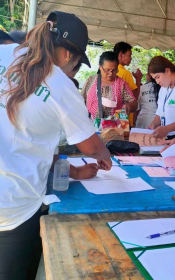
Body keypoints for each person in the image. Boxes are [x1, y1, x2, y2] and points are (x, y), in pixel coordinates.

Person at [0, 11, 112, 279]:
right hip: (14, 208)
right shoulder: (60, 85)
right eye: (76, 64)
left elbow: (30, 139)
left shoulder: (6, 54)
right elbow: (91, 147)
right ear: (65, 55)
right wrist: (105, 154)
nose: (73, 70)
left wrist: (73, 172)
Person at [81, 51, 138, 119]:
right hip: (91, 125)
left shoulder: (121, 84)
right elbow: (81, 100)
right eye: (107, 70)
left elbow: (135, 104)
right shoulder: (90, 80)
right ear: (100, 67)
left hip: (113, 127)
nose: (110, 73)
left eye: (114, 70)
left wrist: (128, 106)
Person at [114, 42, 143, 126]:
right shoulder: (125, 73)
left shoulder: (108, 72)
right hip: (123, 117)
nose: (130, 58)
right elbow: (134, 98)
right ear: (120, 55)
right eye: (129, 55)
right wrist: (138, 79)